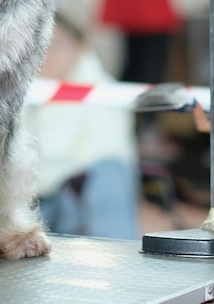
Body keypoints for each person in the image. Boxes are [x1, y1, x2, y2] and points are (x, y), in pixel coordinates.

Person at [23, 13, 140, 240]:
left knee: (110, 172)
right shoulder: (10, 93)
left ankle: (118, 258)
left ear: (80, 47)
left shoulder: (104, 93)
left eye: (56, 43)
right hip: (23, 207)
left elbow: (103, 156)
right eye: (38, 42)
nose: (47, 53)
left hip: (72, 202)